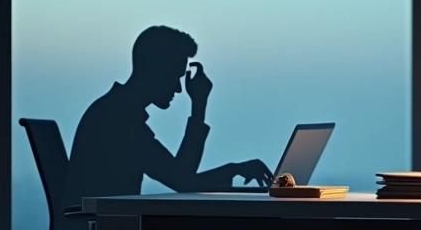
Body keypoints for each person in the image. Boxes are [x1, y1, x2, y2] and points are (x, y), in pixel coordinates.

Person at [62, 25, 273, 213]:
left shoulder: (114, 111)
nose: (179, 88)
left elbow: (182, 178)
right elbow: (184, 180)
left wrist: (234, 169)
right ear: (155, 71)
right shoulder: (118, 121)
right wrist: (199, 105)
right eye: (175, 76)